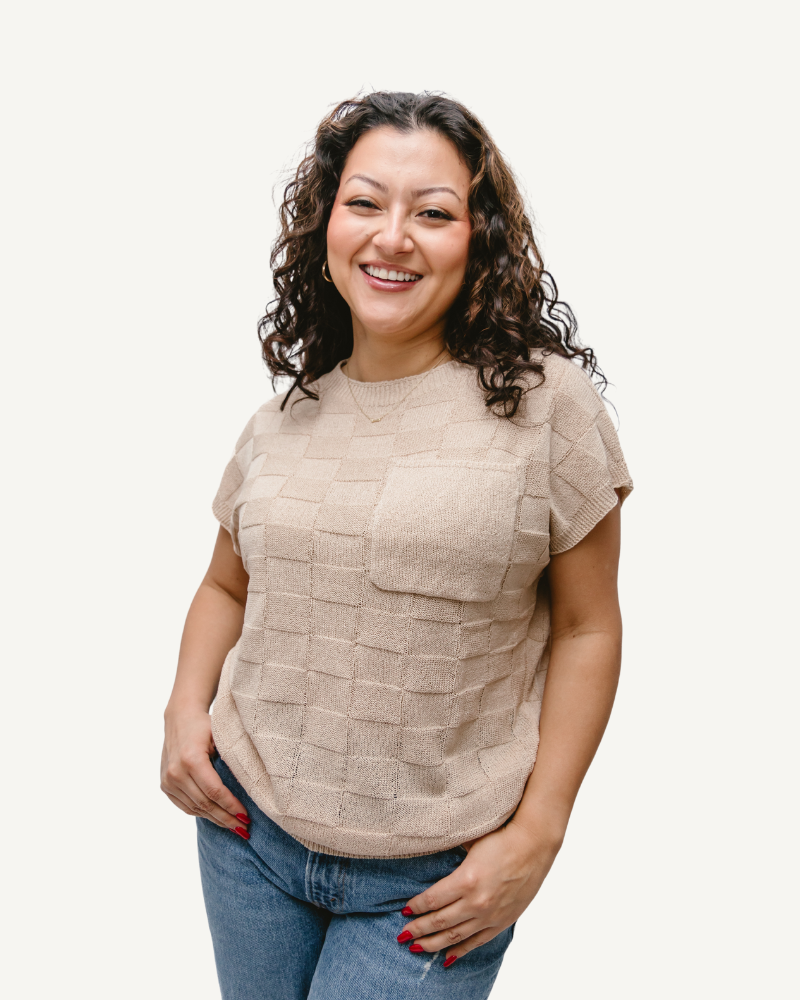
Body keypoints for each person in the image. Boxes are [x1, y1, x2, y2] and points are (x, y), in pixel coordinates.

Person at [161, 91, 633, 1000]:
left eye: (434, 213)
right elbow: (225, 588)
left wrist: (541, 830)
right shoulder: (282, 419)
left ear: (479, 238)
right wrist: (185, 710)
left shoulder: (548, 408)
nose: (392, 237)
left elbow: (587, 629)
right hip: (248, 838)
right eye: (365, 203)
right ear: (325, 226)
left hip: (433, 880)